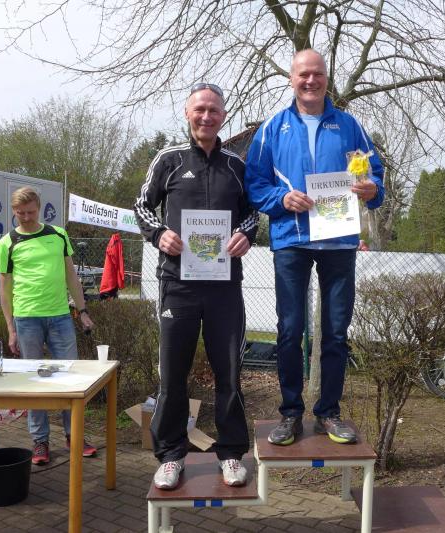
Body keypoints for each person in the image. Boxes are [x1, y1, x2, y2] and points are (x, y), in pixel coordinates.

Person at [245, 49, 385, 446]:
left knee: (336, 332)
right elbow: (254, 183)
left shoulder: (349, 126)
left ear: (326, 78)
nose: (311, 81)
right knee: (290, 330)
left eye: (318, 74)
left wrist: (372, 190)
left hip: (339, 241)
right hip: (291, 240)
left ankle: (328, 412)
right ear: (292, 79)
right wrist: (281, 199)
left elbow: (374, 173)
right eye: (304, 74)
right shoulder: (272, 128)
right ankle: (290, 414)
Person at [134, 83, 259, 489]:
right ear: (187, 113)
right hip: (178, 285)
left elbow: (253, 213)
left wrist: (245, 234)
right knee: (173, 374)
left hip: (224, 286)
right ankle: (171, 456)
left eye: (214, 110)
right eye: (199, 109)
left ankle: (231, 453)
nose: (207, 116)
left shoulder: (236, 165)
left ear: (223, 116)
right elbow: (141, 206)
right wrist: (159, 235)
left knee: (229, 372)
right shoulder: (168, 159)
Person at [0, 187, 96, 465]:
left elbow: (71, 276)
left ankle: (74, 434)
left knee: (70, 378)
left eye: (30, 212)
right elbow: (5, 288)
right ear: (14, 211)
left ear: (39, 208)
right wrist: (10, 328)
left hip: (60, 317)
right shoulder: (8, 242)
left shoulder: (58, 235)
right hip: (26, 318)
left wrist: (82, 310)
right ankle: (40, 440)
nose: (26, 217)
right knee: (34, 381)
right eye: (20, 213)